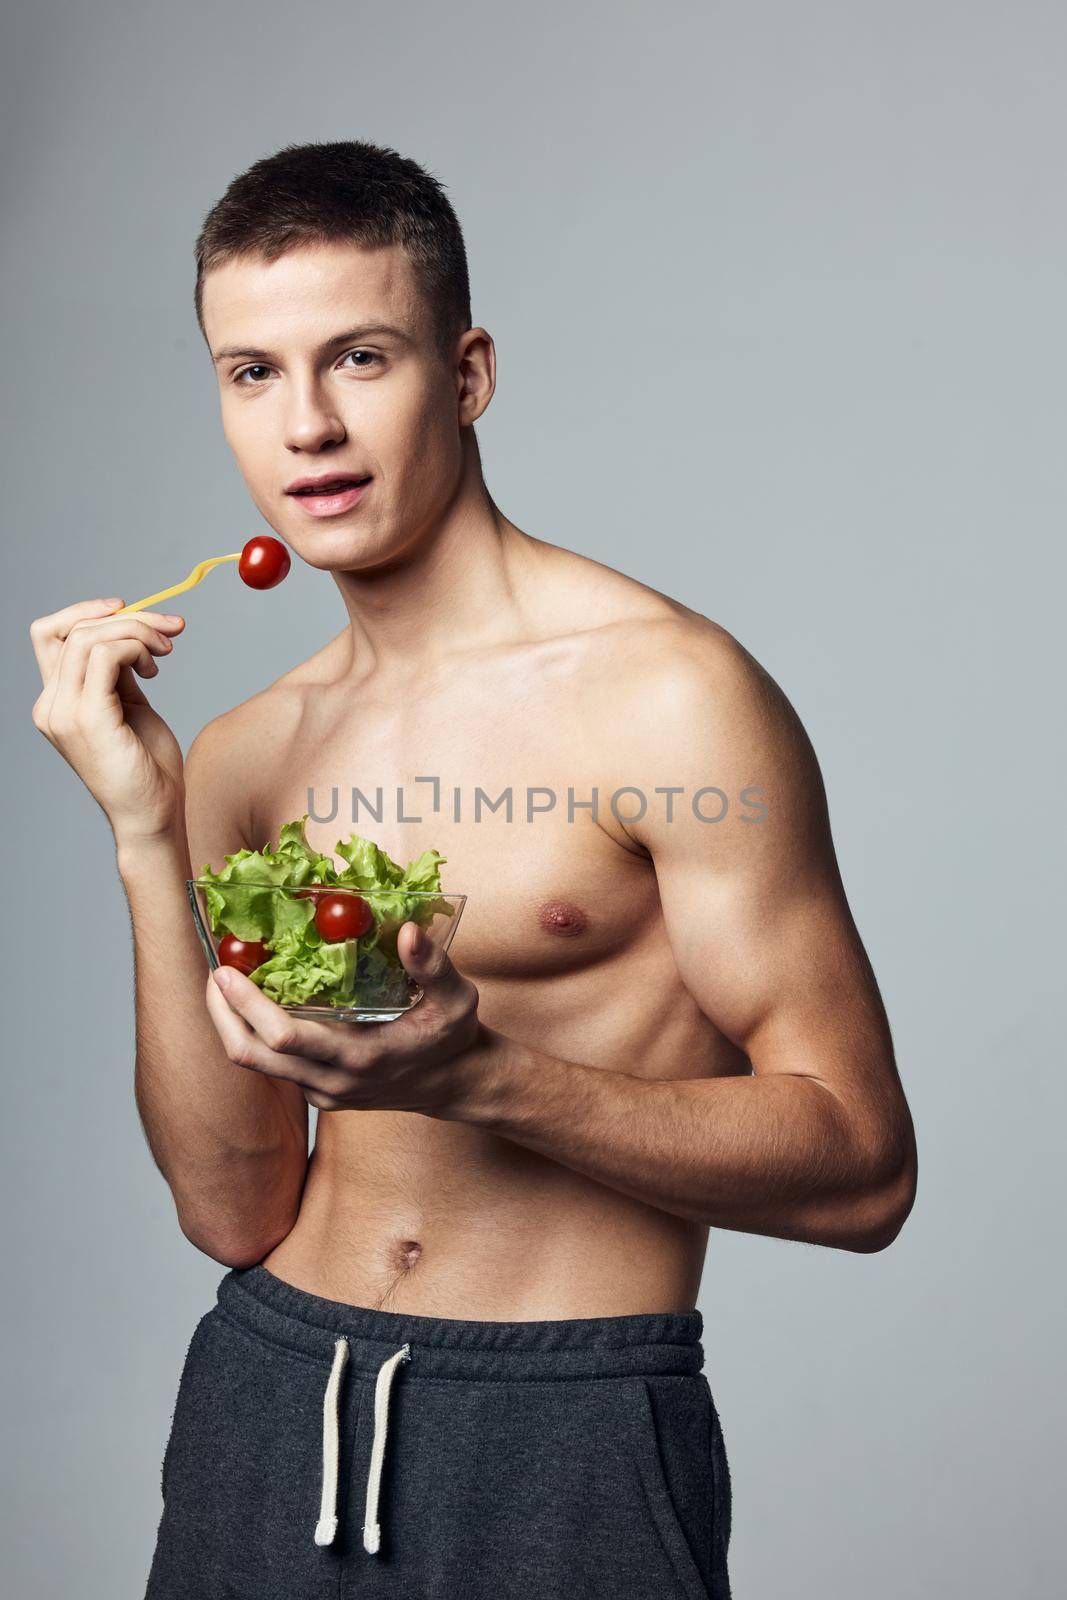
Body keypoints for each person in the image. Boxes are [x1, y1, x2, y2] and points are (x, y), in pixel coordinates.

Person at [28, 139, 917, 1600]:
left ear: (467, 372)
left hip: (563, 1430)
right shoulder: (250, 754)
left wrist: (483, 1079)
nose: (306, 424)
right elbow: (231, 1208)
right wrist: (146, 829)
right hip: (267, 1396)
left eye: (358, 357)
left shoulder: (670, 697)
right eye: (252, 373)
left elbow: (866, 1169)